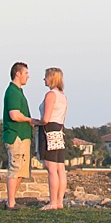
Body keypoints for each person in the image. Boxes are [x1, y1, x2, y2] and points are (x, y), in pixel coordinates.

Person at [2, 61, 42, 209]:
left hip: (23, 136)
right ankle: (11, 202)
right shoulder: (12, 92)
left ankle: (12, 201)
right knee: (15, 169)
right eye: (25, 73)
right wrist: (30, 120)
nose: (28, 76)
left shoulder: (18, 92)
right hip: (16, 136)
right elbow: (14, 115)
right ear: (17, 74)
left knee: (21, 171)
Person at [38, 66, 69, 209]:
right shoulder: (63, 96)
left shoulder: (51, 95)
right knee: (60, 168)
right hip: (59, 130)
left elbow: (45, 118)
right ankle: (59, 202)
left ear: (51, 78)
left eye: (46, 76)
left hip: (48, 129)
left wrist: (33, 122)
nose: (44, 79)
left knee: (51, 168)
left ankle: (53, 202)